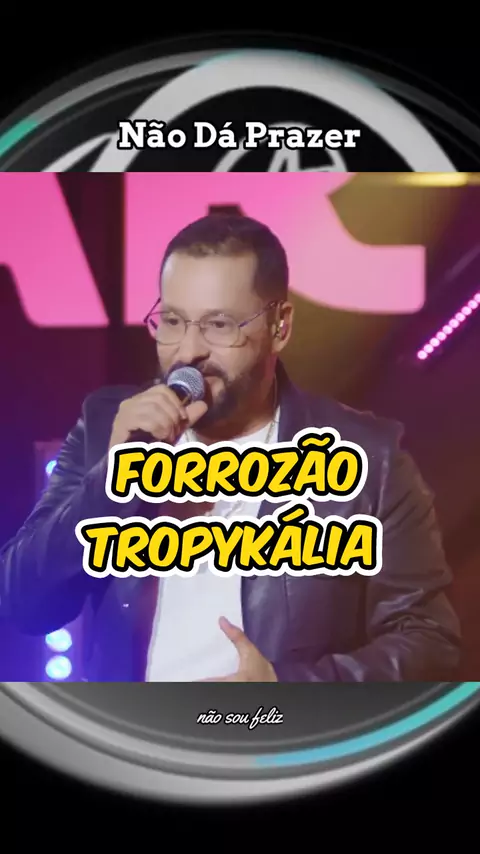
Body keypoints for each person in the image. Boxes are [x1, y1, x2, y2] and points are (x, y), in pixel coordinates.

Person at [0, 213, 461, 682]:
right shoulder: (108, 425)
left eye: (218, 325)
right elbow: (23, 605)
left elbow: (429, 642)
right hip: (129, 726)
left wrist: (286, 687)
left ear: (279, 327)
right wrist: (109, 483)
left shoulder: (369, 457)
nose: (187, 352)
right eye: (173, 321)